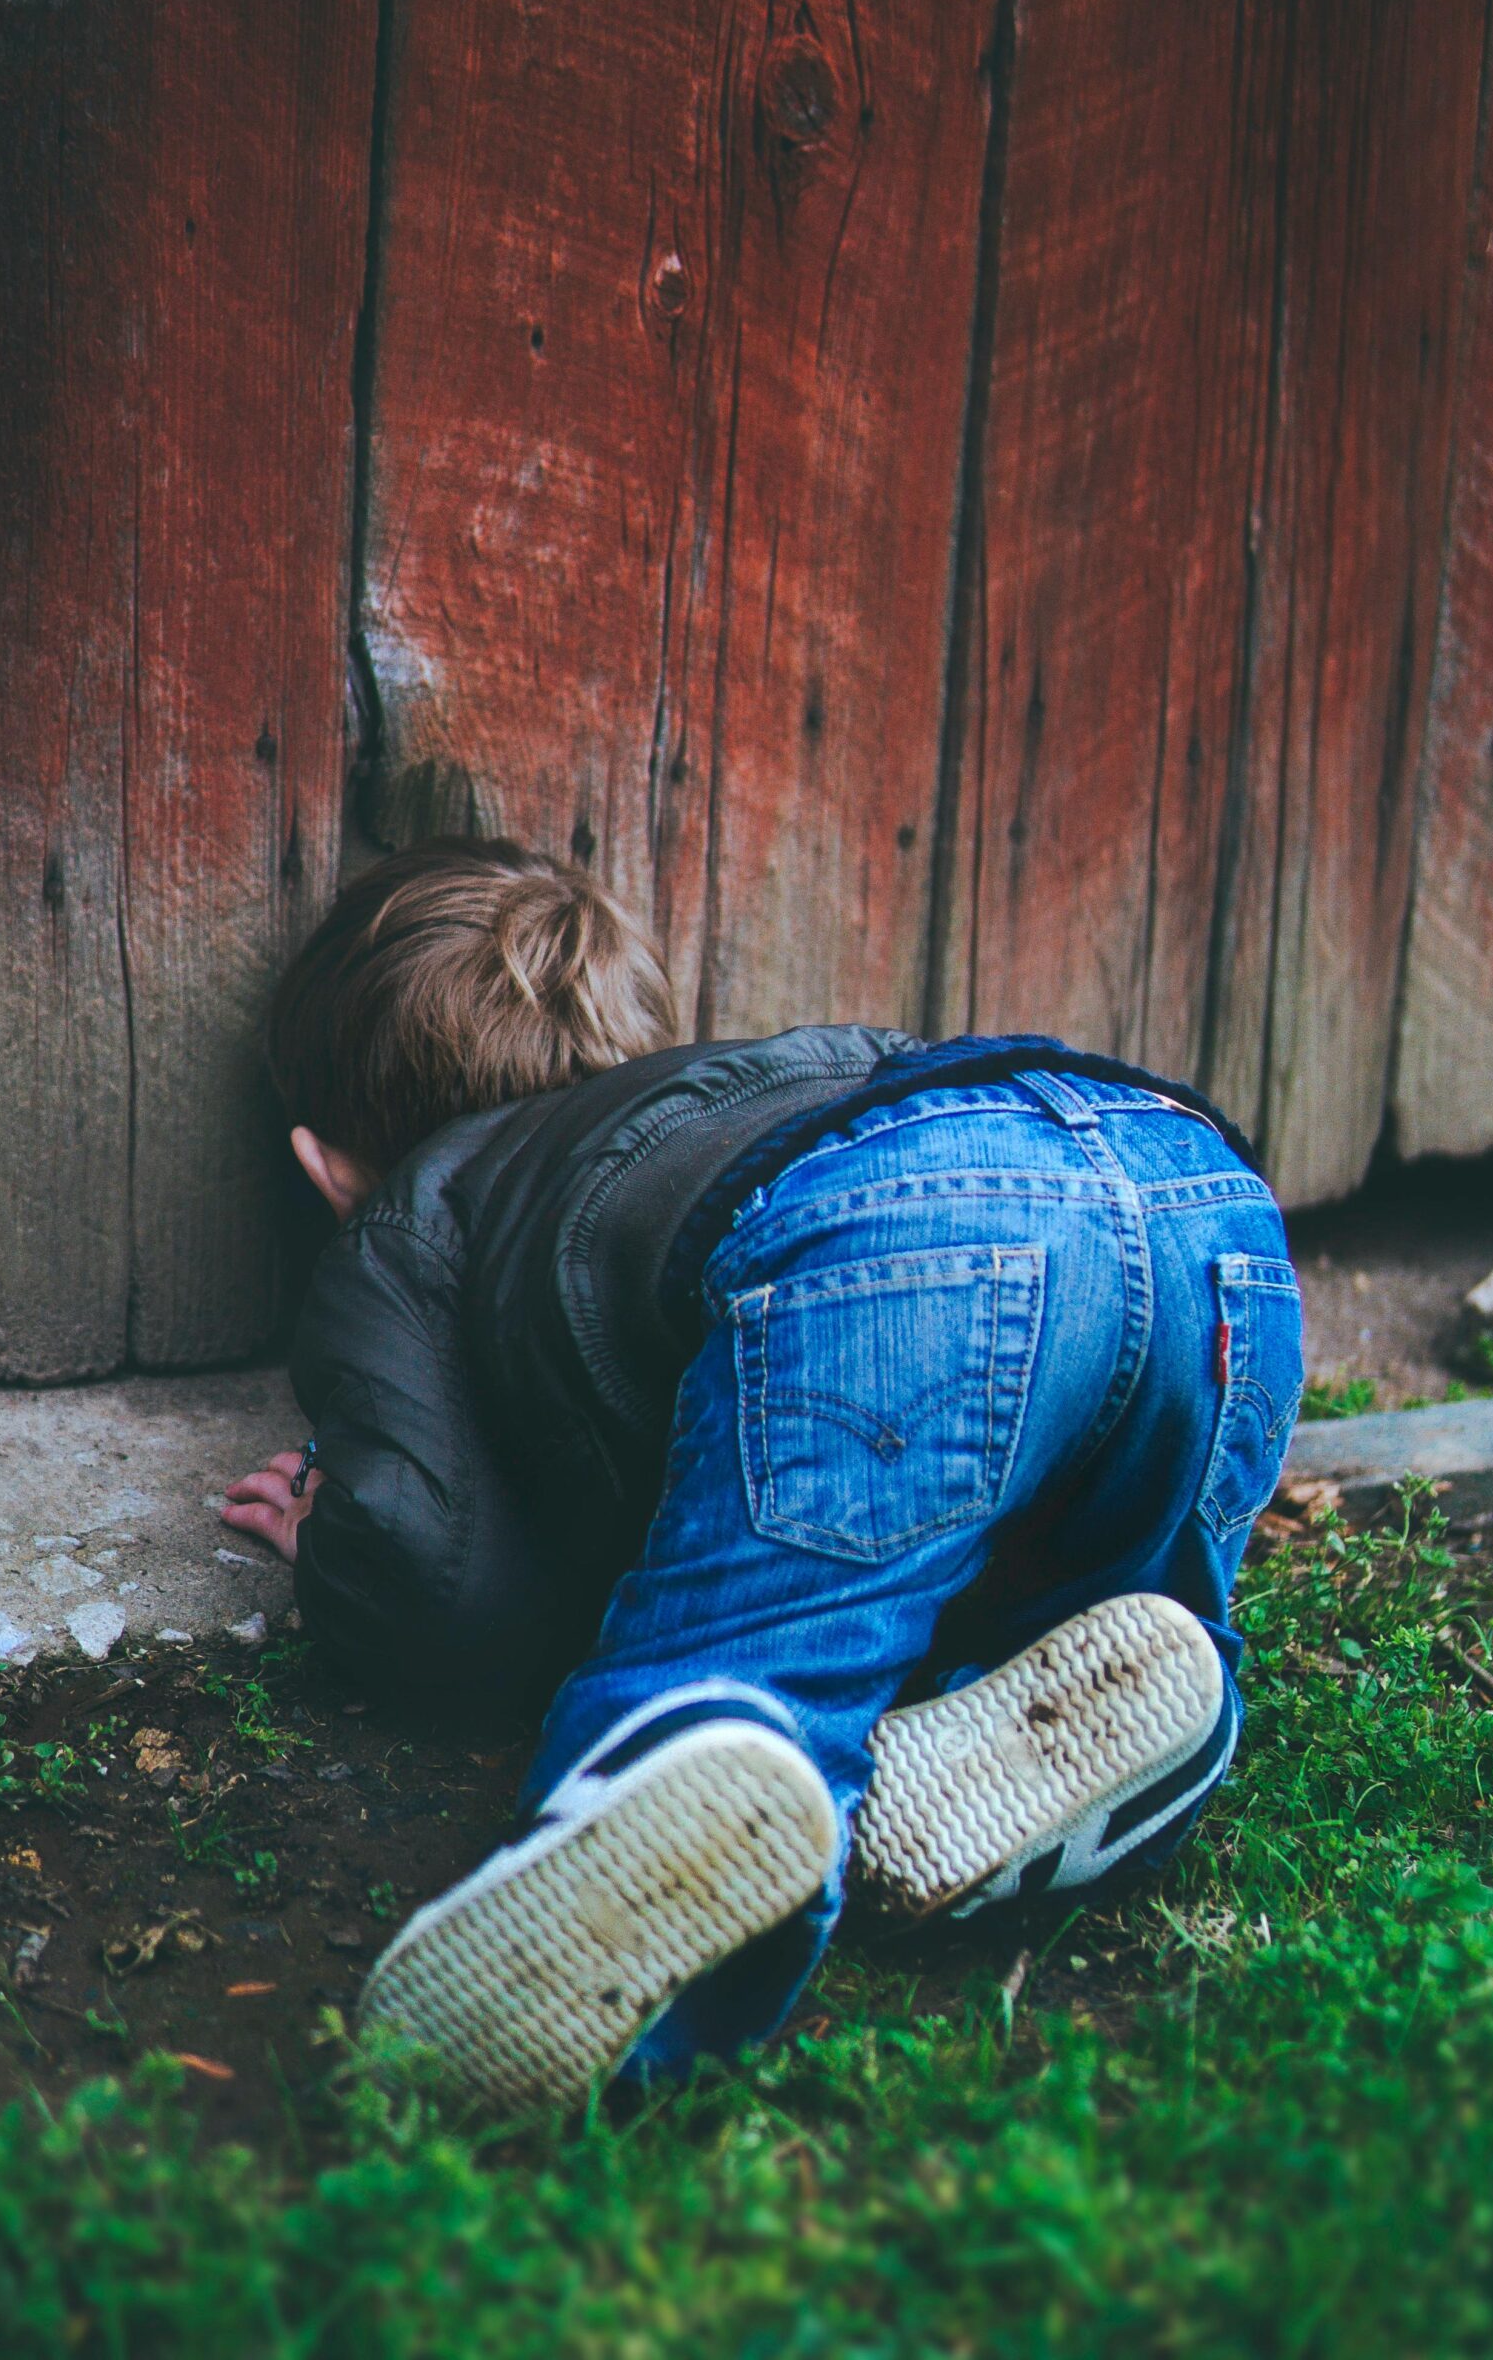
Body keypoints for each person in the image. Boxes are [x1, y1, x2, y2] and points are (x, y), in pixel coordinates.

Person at [222, 838, 1303, 2105]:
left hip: (901, 1232)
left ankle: (723, 1737)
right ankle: (1112, 1679)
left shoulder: (412, 1213)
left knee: (754, 1651)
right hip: (1196, 1194)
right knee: (977, 1541)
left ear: (325, 1167)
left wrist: (335, 1549)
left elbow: (436, 1579)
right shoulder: (739, 1090)